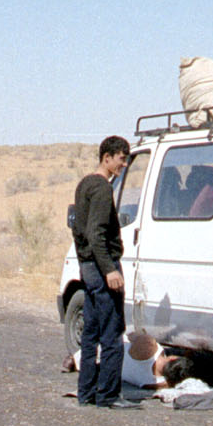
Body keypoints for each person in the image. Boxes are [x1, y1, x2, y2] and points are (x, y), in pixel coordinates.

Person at [73, 136, 134, 409]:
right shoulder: (100, 188)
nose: (123, 164)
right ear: (106, 157)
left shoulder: (85, 183)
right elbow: (95, 233)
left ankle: (86, 392)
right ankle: (108, 394)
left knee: (91, 332)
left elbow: (80, 229)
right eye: (121, 158)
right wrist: (109, 269)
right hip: (101, 266)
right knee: (111, 331)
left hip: (88, 267)